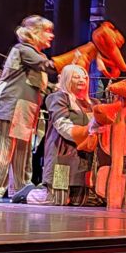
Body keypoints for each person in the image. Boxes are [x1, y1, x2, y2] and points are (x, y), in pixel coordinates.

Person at [0, 16, 58, 199]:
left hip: (26, 108)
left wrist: (55, 88)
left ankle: (20, 189)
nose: (52, 35)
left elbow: (38, 83)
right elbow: (48, 66)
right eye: (48, 31)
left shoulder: (37, 55)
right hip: (9, 105)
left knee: (22, 154)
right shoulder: (23, 49)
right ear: (35, 33)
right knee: (2, 149)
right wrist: (79, 54)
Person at [22, 65, 103, 206]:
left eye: (84, 77)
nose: (82, 80)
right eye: (76, 77)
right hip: (62, 158)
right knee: (58, 200)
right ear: (67, 79)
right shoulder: (58, 98)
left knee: (81, 201)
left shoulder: (94, 103)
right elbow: (62, 125)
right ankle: (27, 193)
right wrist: (85, 133)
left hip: (83, 159)